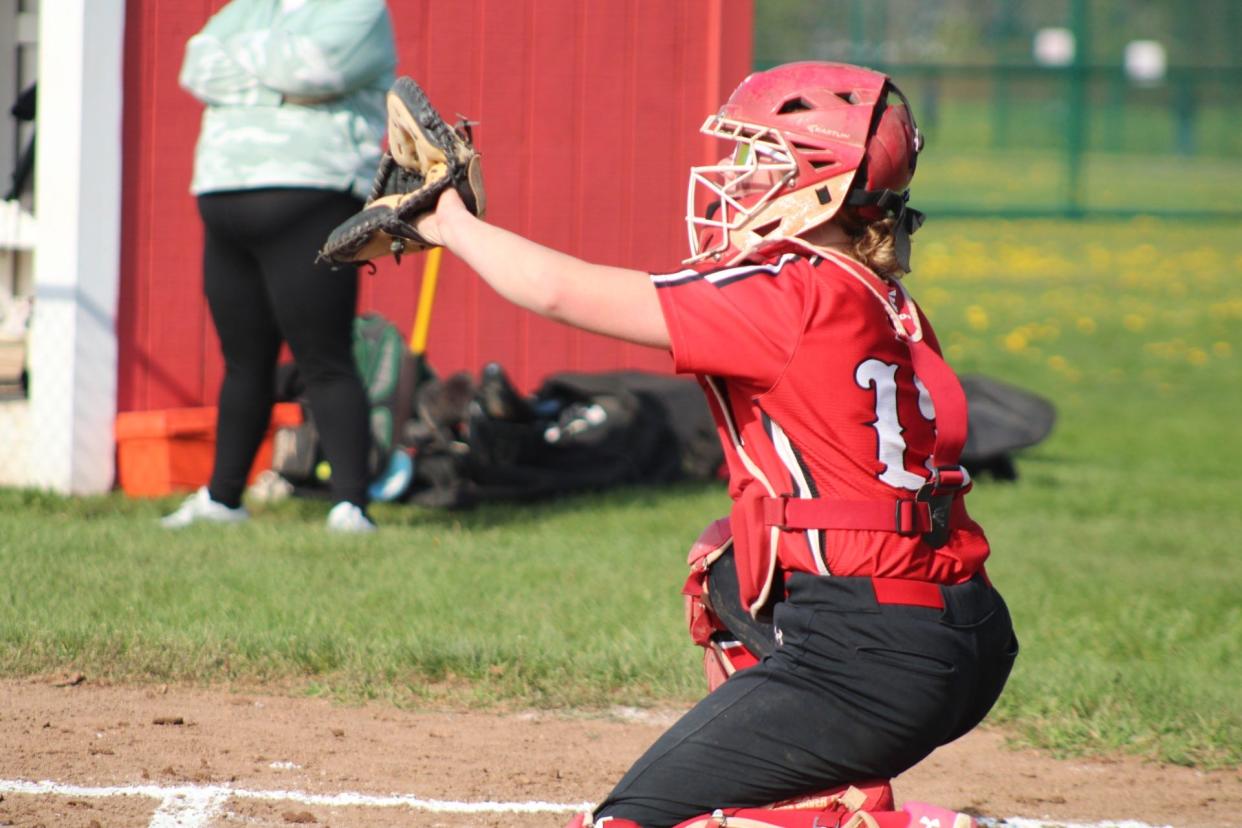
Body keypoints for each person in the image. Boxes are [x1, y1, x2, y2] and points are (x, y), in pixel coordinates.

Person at [389, 62, 1018, 826]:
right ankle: (815, 780)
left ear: (822, 182)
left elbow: (559, 292)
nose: (738, 178)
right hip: (961, 625)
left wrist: (447, 220)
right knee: (726, 565)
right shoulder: (877, 291)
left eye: (761, 160)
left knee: (625, 824)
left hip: (876, 651)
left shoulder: (788, 290)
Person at [161, 0, 397, 533]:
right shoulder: (252, 6)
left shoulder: (360, 10)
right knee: (243, 361)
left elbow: (319, 68)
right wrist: (280, 87)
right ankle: (223, 500)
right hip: (223, 202)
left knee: (325, 358)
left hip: (315, 202)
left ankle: (351, 507)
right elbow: (196, 65)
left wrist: (245, 73)